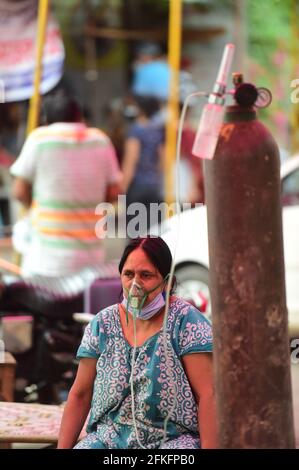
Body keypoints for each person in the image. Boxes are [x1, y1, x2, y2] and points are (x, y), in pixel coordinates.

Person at [58, 236, 218, 449]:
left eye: (146, 275)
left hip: (172, 440)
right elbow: (80, 395)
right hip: (109, 439)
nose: (135, 284)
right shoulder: (103, 324)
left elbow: (208, 395)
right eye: (129, 274)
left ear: (166, 280)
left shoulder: (185, 321)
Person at [10, 92, 122, 276]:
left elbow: (19, 191)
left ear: (47, 118)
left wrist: (38, 208)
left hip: (45, 260)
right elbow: (116, 191)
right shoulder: (100, 140)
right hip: (91, 260)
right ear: (80, 116)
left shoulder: (40, 139)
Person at [122, 96, 165, 233]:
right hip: (154, 186)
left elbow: (131, 160)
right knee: (153, 234)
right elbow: (163, 159)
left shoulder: (135, 130)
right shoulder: (158, 130)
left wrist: (122, 187)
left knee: (135, 234)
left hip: (137, 186)